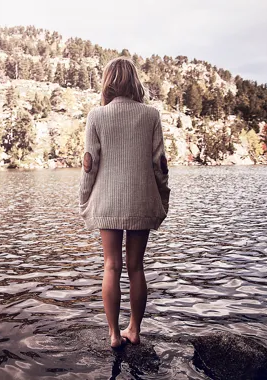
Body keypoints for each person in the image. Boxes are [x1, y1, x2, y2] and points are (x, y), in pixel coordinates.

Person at [79, 57, 171, 349]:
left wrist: (85, 199)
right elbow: (160, 165)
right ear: (135, 81)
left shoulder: (97, 115)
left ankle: (113, 335)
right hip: (141, 200)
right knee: (136, 267)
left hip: (107, 202)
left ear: (107, 81)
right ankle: (134, 329)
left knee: (111, 266)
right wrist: (162, 198)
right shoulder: (151, 115)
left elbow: (89, 166)